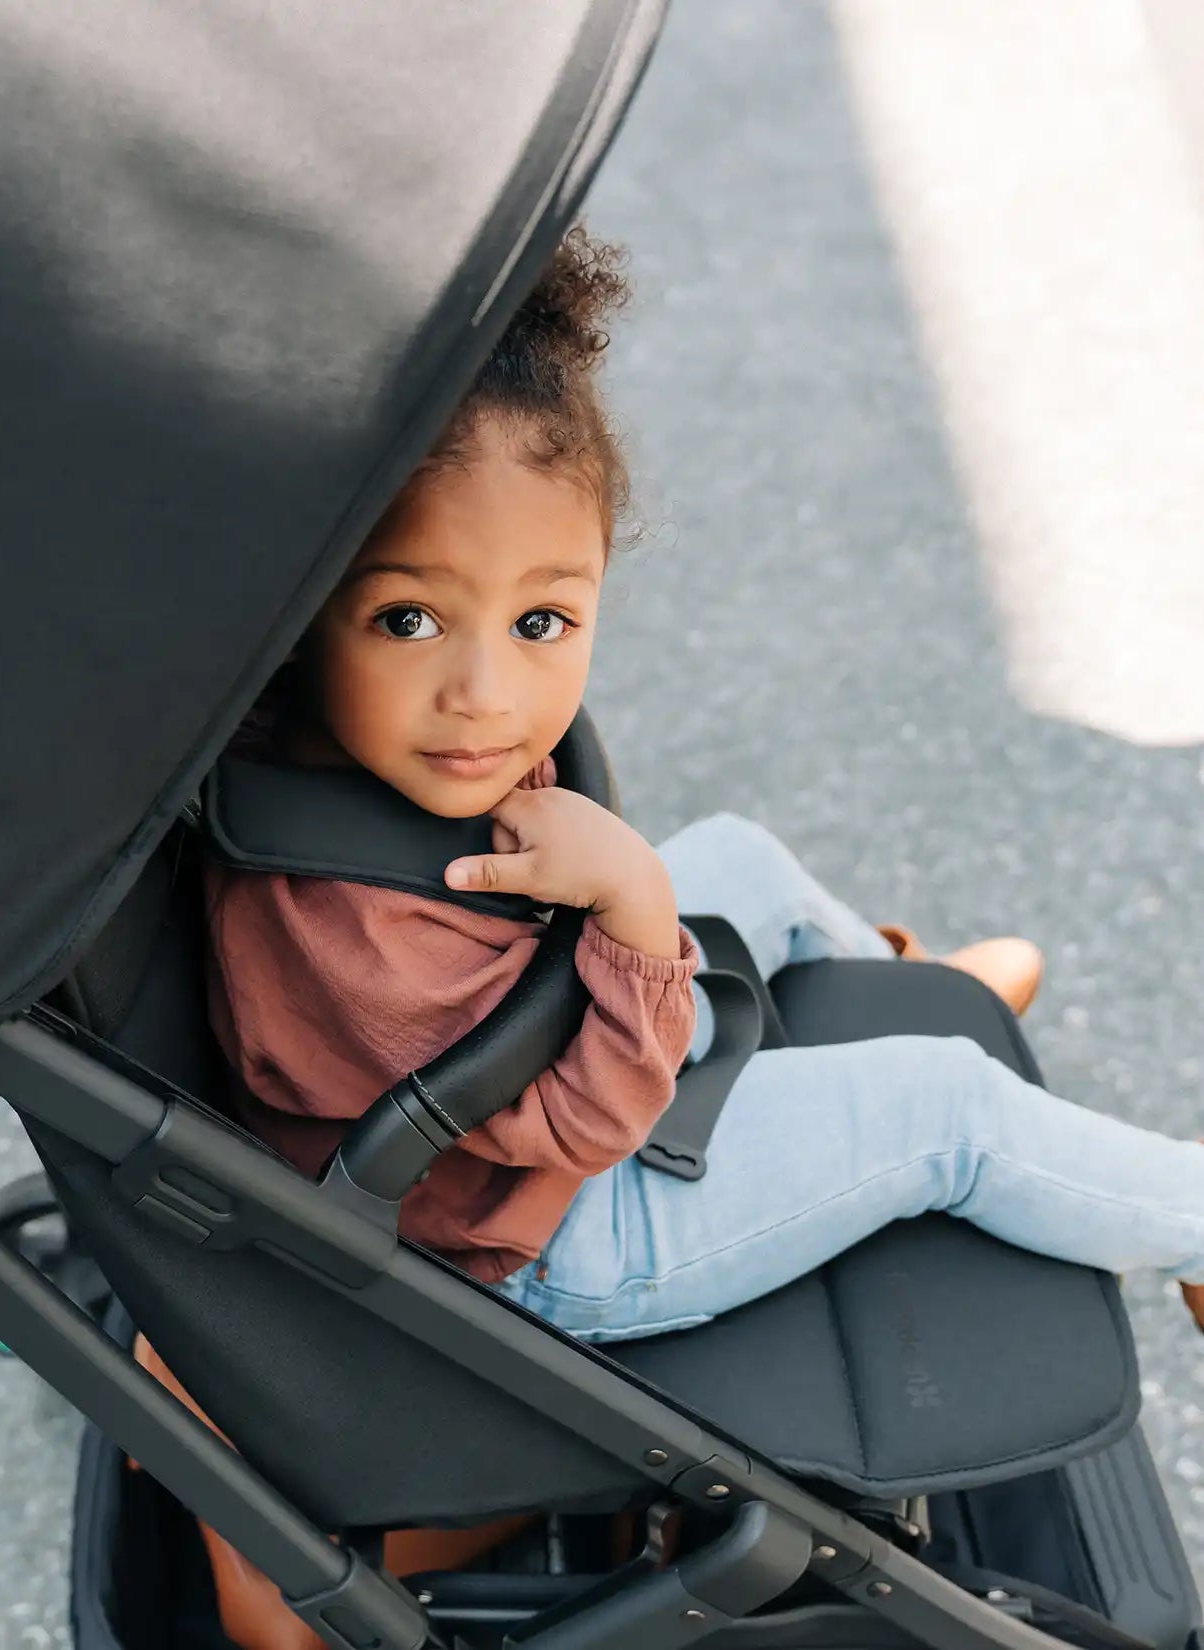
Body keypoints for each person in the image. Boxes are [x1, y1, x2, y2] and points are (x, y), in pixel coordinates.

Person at [205, 226, 1204, 1340]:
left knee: (740, 855)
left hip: (525, 1036)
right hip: (546, 1231)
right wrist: (633, 907)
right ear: (304, 617)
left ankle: (899, 984)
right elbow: (587, 1129)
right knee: (946, 1109)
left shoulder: (340, 739)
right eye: (409, 619)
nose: (484, 692)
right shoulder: (358, 945)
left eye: (541, 620)